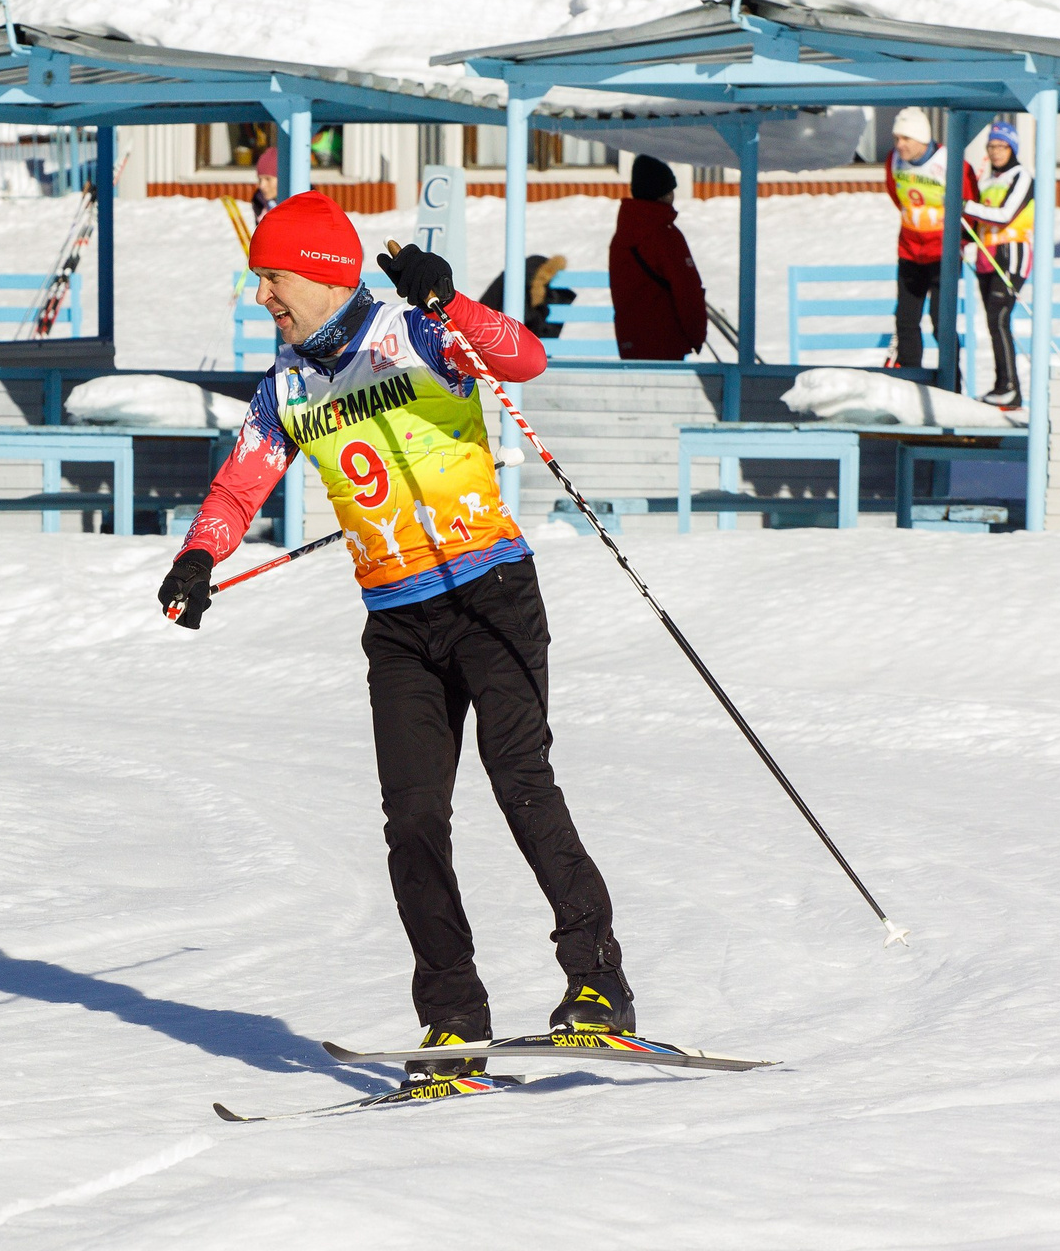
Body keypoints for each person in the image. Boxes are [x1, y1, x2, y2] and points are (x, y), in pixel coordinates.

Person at [153, 192, 632, 1095]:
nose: (263, 297)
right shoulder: (288, 385)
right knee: (413, 822)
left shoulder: (417, 334)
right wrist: (196, 556)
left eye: (272, 278)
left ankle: (598, 984)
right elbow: (237, 487)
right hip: (400, 623)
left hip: (491, 594)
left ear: (324, 274)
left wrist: (452, 304)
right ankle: (454, 1017)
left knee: (520, 781)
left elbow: (524, 359)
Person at [608, 156, 709, 360]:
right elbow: (687, 291)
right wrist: (696, 335)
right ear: (662, 194)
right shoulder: (665, 236)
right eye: (670, 190)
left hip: (630, 342)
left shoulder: (622, 236)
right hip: (666, 342)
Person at [962, 121, 1034, 408]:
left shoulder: (1021, 176)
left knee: (999, 316)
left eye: (1001, 146)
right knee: (993, 322)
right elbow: (977, 219)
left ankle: (1010, 386)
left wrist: (964, 205)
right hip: (986, 256)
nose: (995, 152)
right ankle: (1002, 384)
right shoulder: (987, 179)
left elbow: (1004, 215)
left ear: (1012, 148)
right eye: (991, 146)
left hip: (1011, 253)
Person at [884, 108, 951, 372]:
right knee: (905, 319)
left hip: (942, 252)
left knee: (940, 320)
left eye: (905, 139)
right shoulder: (894, 160)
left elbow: (969, 201)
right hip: (910, 250)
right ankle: (911, 374)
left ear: (922, 139)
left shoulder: (948, 160)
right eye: (896, 139)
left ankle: (950, 379)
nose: (899, 145)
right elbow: (895, 193)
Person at [249, 141, 279, 220]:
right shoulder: (259, 204)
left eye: (268, 179)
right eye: (260, 179)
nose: (262, 186)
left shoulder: (305, 206)